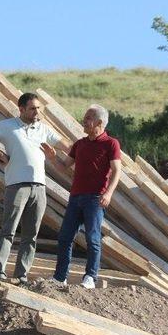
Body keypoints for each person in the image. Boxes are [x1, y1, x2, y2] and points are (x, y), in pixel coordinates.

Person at [0, 92, 68, 284]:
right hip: (16, 185)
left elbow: (66, 145)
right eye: (33, 108)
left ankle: (21, 275)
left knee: (31, 234)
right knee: (8, 230)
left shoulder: (43, 129)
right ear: (22, 109)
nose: (37, 112)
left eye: (39, 108)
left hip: (39, 186)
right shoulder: (7, 126)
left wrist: (73, 150)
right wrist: (0, 155)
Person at [42, 104, 122, 289]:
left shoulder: (111, 143)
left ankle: (90, 278)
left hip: (95, 198)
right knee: (65, 237)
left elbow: (117, 171)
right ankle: (60, 277)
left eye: (88, 118)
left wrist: (108, 193)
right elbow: (64, 167)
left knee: (92, 239)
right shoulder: (80, 144)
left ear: (99, 122)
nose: (83, 121)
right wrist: (52, 157)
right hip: (76, 197)